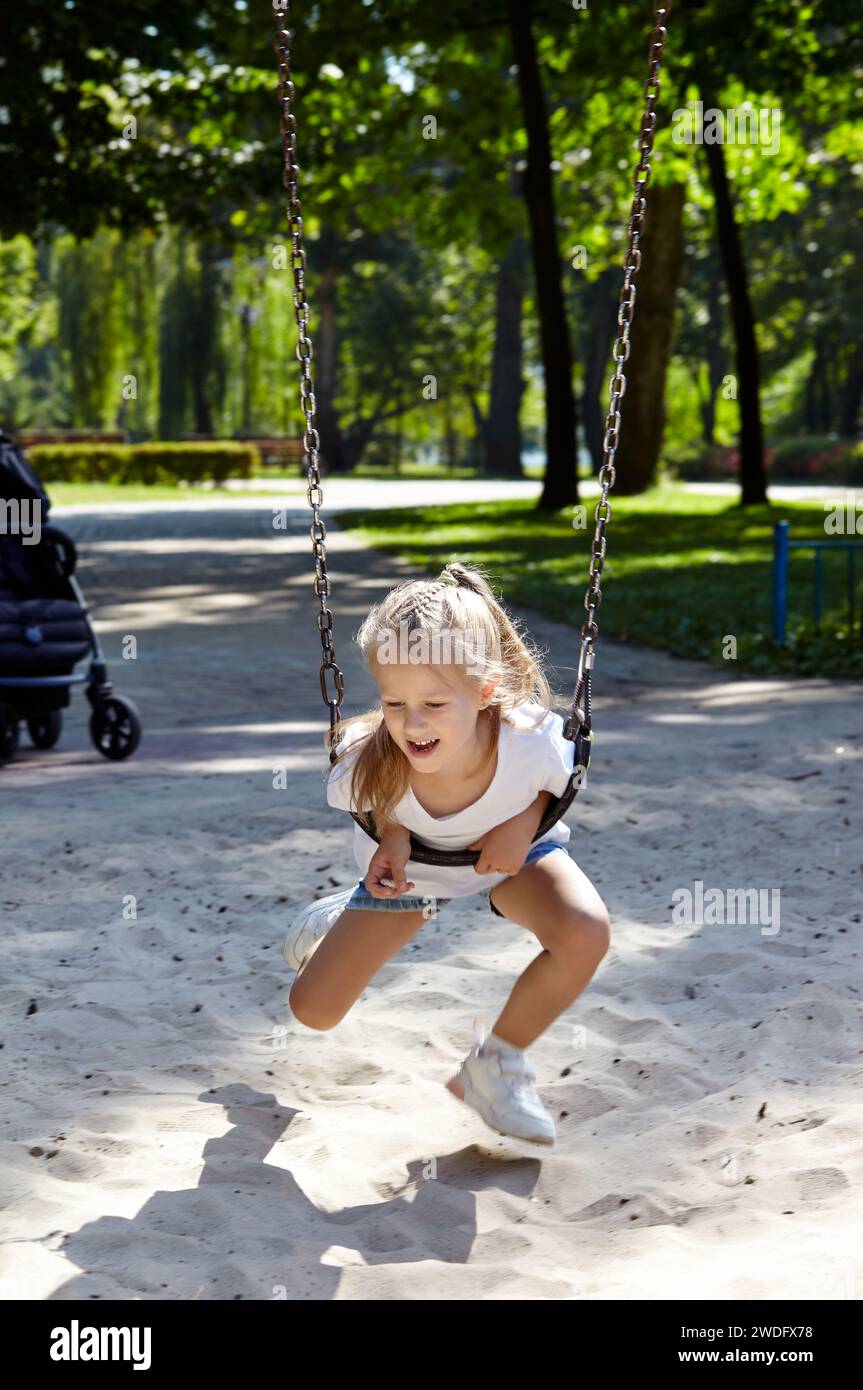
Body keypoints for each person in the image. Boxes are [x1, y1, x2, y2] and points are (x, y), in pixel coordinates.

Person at [284, 560, 610, 1144]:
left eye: (434, 705)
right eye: (394, 703)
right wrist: (393, 833)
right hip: (411, 874)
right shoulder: (369, 755)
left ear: (485, 690)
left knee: (586, 930)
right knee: (314, 1011)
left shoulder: (528, 737)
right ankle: (332, 921)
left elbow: (554, 778)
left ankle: (496, 1066)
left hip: (511, 858)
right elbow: (372, 798)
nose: (412, 724)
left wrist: (523, 822)